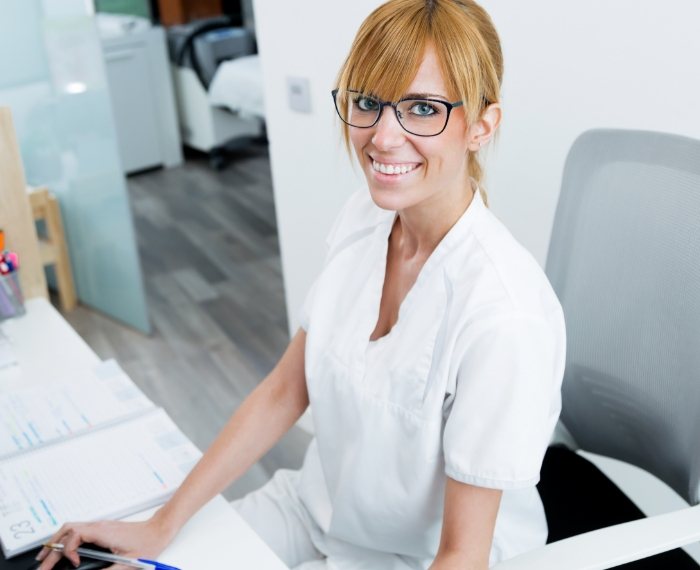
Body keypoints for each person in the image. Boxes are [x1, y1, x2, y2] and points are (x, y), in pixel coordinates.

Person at [37, 1, 565, 569]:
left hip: (411, 559)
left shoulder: (504, 315)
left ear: (483, 125)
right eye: (367, 102)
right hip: (315, 511)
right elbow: (285, 391)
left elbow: (463, 554)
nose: (383, 137)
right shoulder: (367, 218)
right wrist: (160, 527)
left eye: (422, 108)